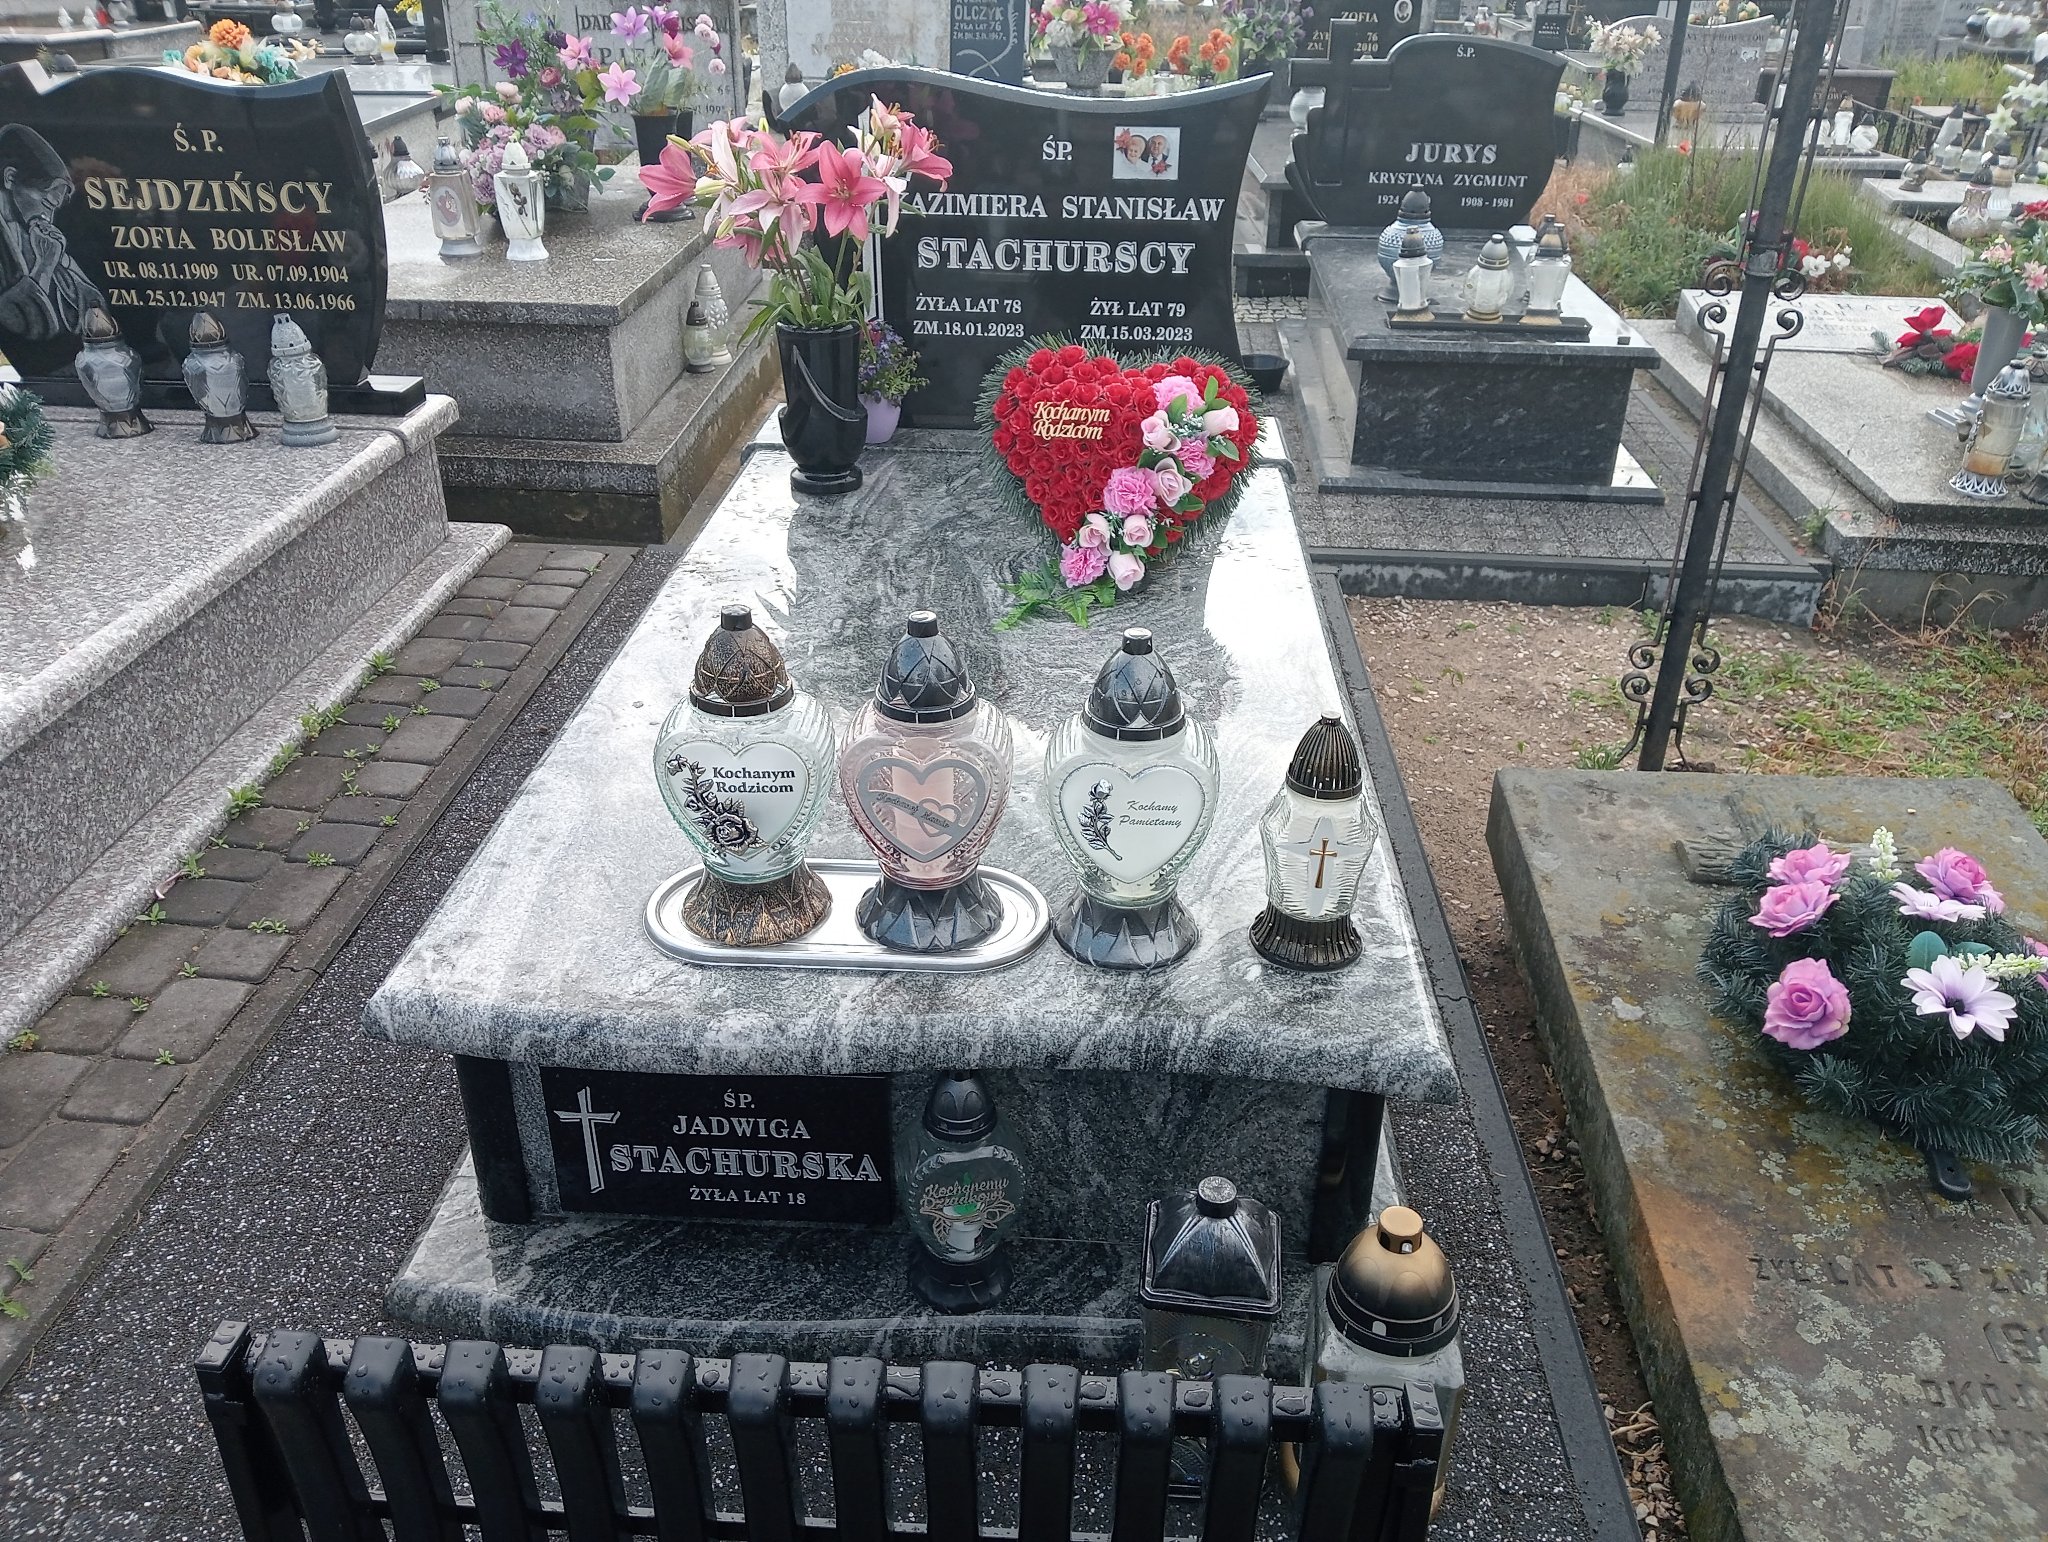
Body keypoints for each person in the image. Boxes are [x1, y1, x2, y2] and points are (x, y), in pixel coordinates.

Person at [0, 123, 104, 345]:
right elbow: (13, 322)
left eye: (54, 208)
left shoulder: (31, 235)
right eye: (46, 202)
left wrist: (62, 262)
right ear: (10, 178)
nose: (48, 215)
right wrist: (45, 266)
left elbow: (94, 309)